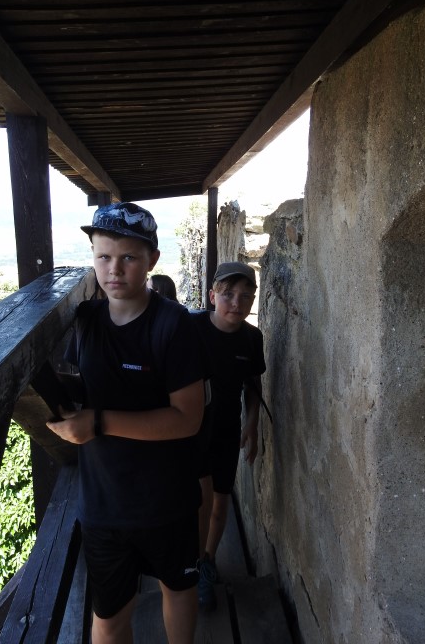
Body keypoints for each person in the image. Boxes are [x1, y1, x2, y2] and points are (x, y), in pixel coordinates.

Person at [46, 202, 205, 644]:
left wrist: (98, 423)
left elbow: (188, 418)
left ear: (152, 259)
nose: (114, 269)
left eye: (129, 257)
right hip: (104, 503)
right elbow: (78, 386)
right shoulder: (86, 321)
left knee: (178, 588)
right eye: (103, 256)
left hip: (167, 500)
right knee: (110, 615)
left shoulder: (173, 324)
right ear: (93, 257)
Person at [192, 261, 266, 612]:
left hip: (225, 430)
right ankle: (189, 563)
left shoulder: (251, 338)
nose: (236, 303)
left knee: (220, 501)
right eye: (228, 294)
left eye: (245, 296)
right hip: (190, 430)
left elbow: (253, 385)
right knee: (197, 499)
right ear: (212, 296)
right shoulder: (191, 329)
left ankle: (206, 562)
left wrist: (251, 425)